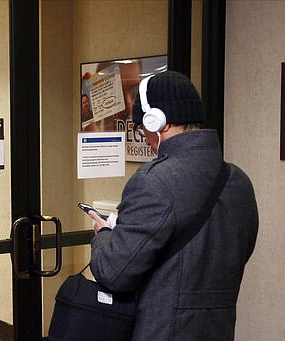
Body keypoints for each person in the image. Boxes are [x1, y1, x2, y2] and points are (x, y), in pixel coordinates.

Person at [88, 70, 258, 340]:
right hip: (220, 330)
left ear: (158, 122)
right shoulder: (238, 180)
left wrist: (105, 236)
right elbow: (239, 251)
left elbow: (113, 272)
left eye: (141, 125)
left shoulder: (153, 181)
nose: (142, 133)